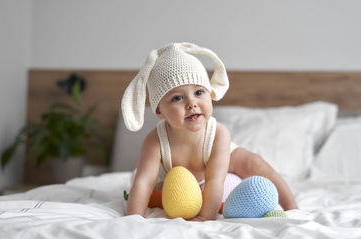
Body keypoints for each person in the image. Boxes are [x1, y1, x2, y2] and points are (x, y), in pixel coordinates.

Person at [122, 42, 298, 221]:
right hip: (178, 176)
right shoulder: (155, 141)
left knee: (254, 163)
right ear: (160, 111)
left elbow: (215, 180)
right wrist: (133, 219)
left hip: (217, 163)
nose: (192, 103)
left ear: (210, 94)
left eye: (199, 92)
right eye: (177, 98)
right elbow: (144, 182)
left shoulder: (218, 134)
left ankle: (292, 206)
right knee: (140, 178)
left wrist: (206, 217)